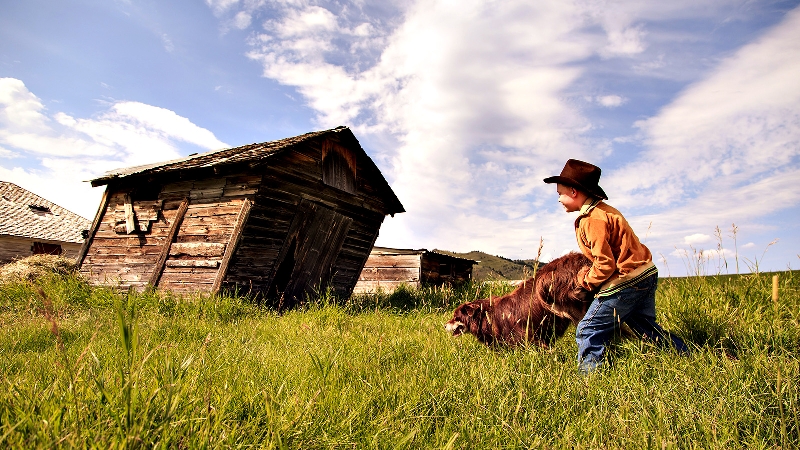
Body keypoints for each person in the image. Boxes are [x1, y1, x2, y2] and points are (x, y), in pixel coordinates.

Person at [544, 159, 688, 373]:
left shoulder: (593, 219)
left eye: (559, 194)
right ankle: (688, 355)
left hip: (626, 281)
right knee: (646, 329)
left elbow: (605, 263)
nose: (558, 200)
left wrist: (585, 281)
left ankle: (591, 382)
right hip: (644, 274)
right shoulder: (606, 211)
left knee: (588, 329)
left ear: (574, 192)